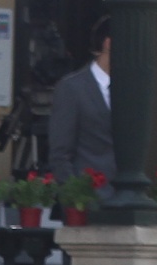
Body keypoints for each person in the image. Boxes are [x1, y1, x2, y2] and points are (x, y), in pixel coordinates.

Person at [47, 20, 116, 188]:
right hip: (87, 195)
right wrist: (76, 193)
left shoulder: (131, 89)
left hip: (123, 196)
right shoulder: (71, 88)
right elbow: (60, 153)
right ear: (108, 43)